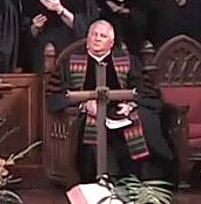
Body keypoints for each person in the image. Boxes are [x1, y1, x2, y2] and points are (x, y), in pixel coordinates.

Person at [47, 20, 173, 182]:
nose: (97, 39)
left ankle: (139, 178)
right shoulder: (69, 62)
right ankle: (102, 178)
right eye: (94, 34)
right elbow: (55, 95)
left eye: (103, 36)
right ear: (88, 38)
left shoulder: (128, 61)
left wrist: (131, 105)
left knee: (144, 119)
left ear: (111, 43)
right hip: (87, 114)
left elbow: (145, 92)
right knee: (91, 125)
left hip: (122, 111)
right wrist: (83, 105)